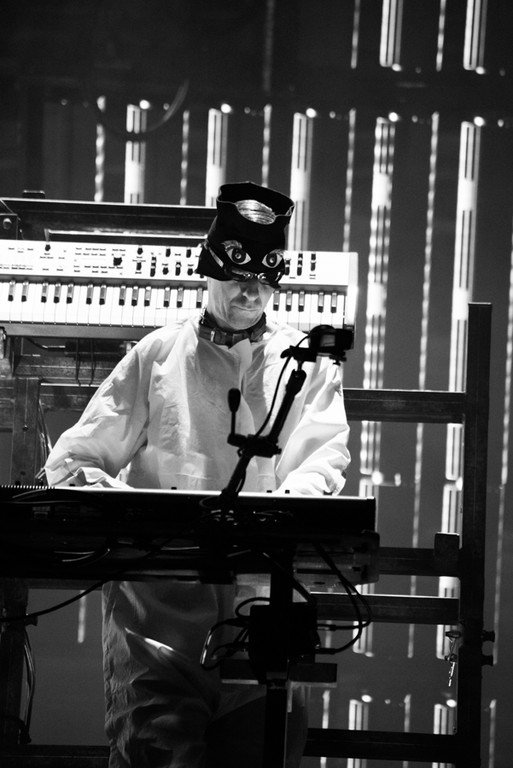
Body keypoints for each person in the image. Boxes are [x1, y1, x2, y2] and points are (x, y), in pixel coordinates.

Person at [44, 181, 351, 768]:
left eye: (263, 281)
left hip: (262, 613)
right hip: (159, 618)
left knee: (261, 752)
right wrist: (130, 511)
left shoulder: (305, 365)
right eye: (237, 278)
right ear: (209, 271)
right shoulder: (157, 355)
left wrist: (273, 520)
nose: (250, 292)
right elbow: (75, 460)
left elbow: (323, 460)